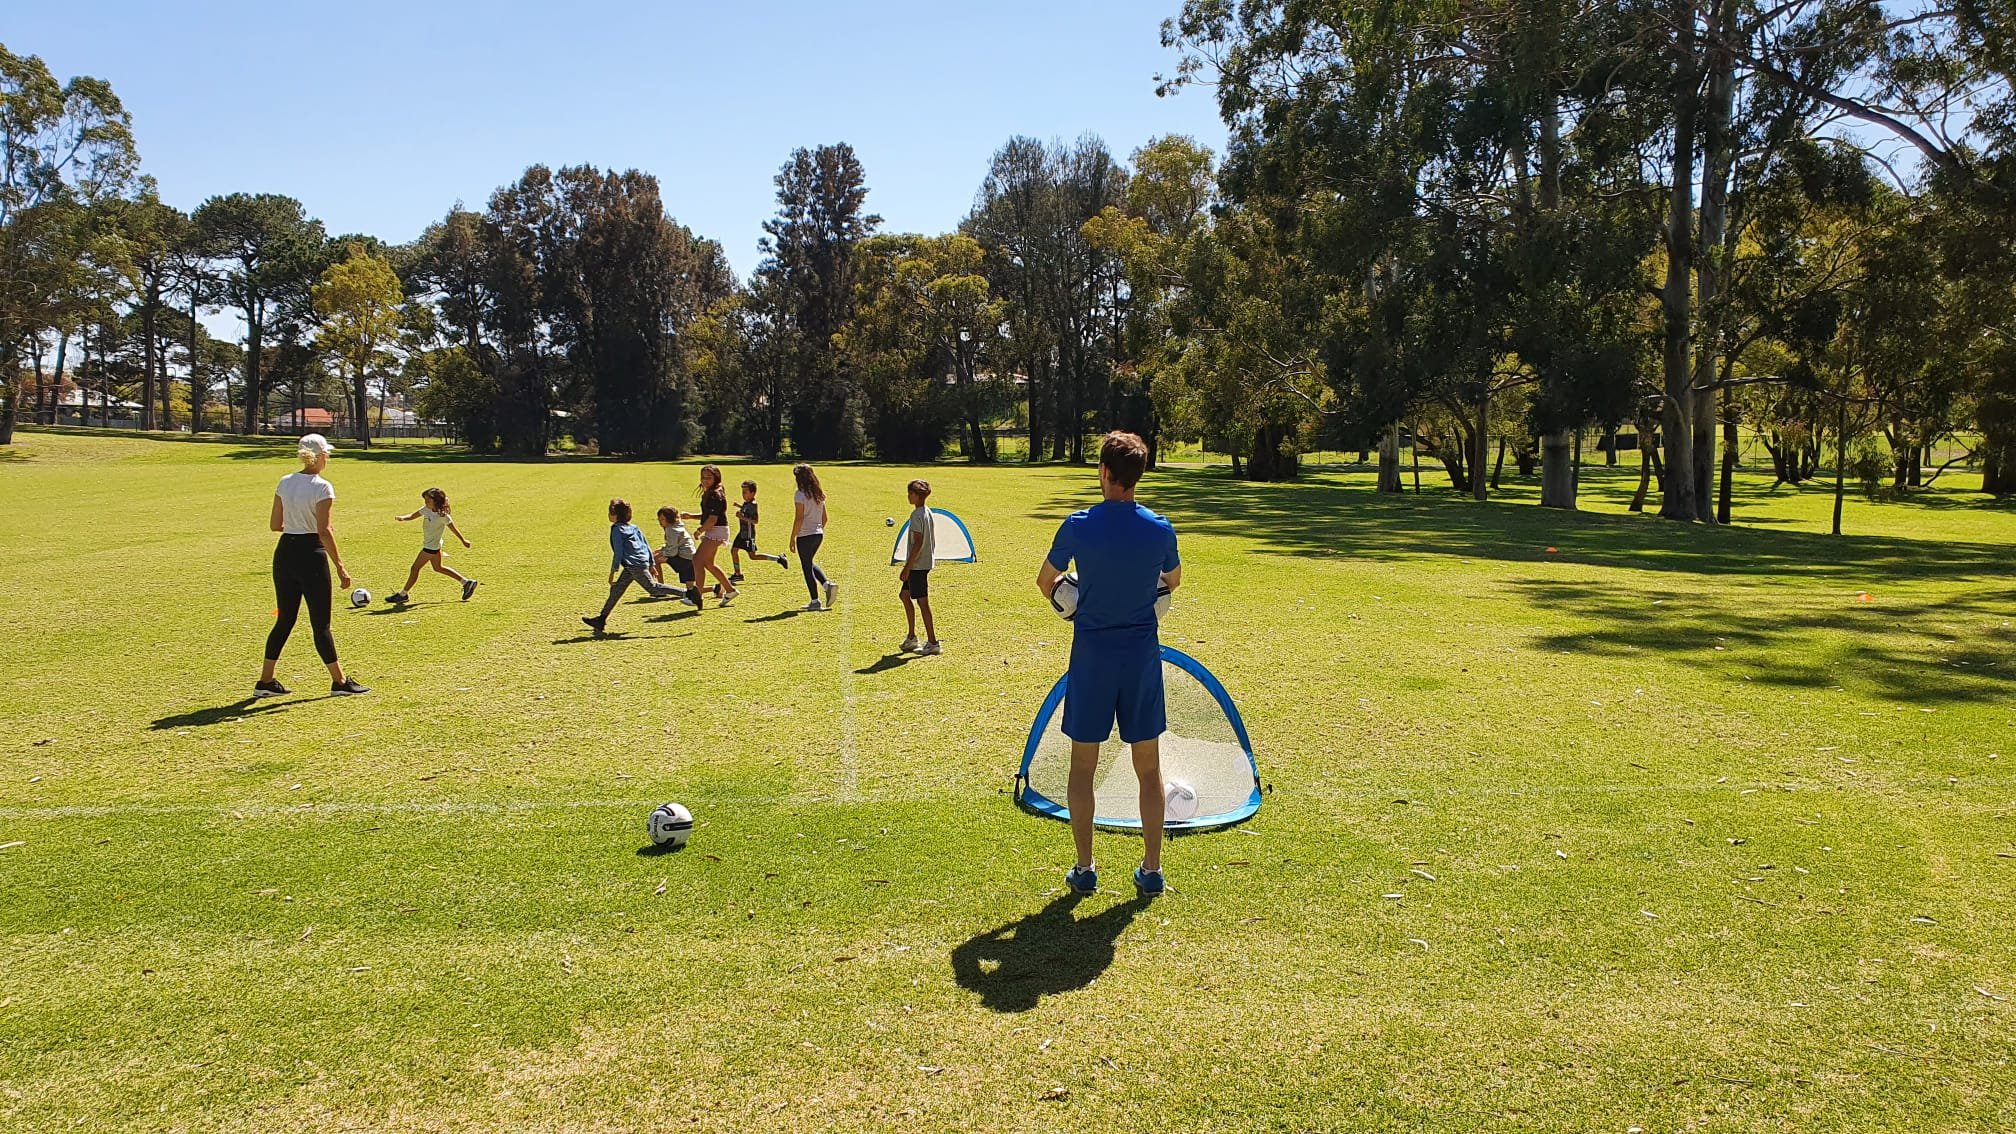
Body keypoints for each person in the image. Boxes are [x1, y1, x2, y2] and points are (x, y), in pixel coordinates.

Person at [1035, 432, 1181, 898]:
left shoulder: (1079, 524)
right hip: (1140, 658)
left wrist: (1075, 600)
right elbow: (1172, 581)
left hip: (1092, 657)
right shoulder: (1160, 527)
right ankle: (1152, 870)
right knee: (1148, 768)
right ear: (1139, 475)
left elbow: (1046, 581)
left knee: (1082, 768)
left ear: (1103, 472)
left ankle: (1085, 868)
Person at [256, 434, 369, 697]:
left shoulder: (285, 482)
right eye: (327, 455)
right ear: (320, 456)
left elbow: (276, 525)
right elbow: (324, 529)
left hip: (285, 552)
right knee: (321, 624)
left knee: (285, 620)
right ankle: (340, 682)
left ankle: (265, 681)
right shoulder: (322, 487)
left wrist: (298, 526)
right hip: (311, 554)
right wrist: (340, 566)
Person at [583, 498, 687, 634]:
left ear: (614, 515)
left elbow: (618, 553)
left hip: (633, 565)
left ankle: (688, 593)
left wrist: (612, 572)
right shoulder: (634, 527)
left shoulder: (616, 530)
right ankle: (601, 619)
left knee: (653, 589)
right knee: (616, 591)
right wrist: (651, 563)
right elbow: (646, 546)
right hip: (636, 564)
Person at [386, 487, 476, 604]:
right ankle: (466, 582)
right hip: (434, 545)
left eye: (428, 501)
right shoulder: (426, 509)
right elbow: (413, 516)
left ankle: (403, 594)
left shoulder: (443, 516)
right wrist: (403, 518)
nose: (425, 503)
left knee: (415, 568)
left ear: (436, 502)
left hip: (431, 548)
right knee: (438, 568)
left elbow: (453, 529)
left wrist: (463, 540)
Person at [680, 465, 738, 608]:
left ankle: (697, 595)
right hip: (717, 530)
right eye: (703, 478)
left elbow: (712, 519)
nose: (705, 481)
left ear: (716, 478)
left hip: (716, 531)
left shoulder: (714, 495)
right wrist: (691, 516)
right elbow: (708, 516)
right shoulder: (713, 492)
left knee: (697, 560)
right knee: (708, 563)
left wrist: (700, 530)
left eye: (708, 478)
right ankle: (730, 590)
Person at [897, 479, 941, 655]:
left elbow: (918, 542)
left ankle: (932, 642)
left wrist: (907, 567)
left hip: (917, 566)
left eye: (910, 493)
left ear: (917, 496)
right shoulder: (926, 512)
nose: (908, 496)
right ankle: (912, 637)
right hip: (923, 563)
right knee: (904, 595)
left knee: (922, 602)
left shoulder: (916, 516)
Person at [788, 463, 838, 611]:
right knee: (809, 562)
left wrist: (793, 537)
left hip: (805, 535)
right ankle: (826, 585)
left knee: (806, 566)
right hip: (818, 534)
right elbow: (825, 518)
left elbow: (799, 518)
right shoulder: (818, 494)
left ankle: (815, 600)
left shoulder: (800, 494)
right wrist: (818, 529)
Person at [728, 479, 788, 582]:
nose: (743, 494)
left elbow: (755, 521)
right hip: (742, 532)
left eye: (745, 492)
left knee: (753, 556)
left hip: (748, 534)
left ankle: (778, 558)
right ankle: (737, 574)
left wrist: (742, 517)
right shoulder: (747, 503)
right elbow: (746, 509)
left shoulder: (753, 504)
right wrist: (739, 506)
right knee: (734, 550)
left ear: (753, 493)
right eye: (742, 492)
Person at [652, 506, 702, 603]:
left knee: (654, 560)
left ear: (669, 519)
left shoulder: (671, 530)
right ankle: (715, 588)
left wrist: (661, 552)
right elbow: (674, 545)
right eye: (659, 519)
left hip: (684, 559)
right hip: (690, 558)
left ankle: (660, 588)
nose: (660, 522)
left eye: (662, 519)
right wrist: (661, 549)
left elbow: (672, 552)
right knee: (690, 588)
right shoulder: (677, 526)